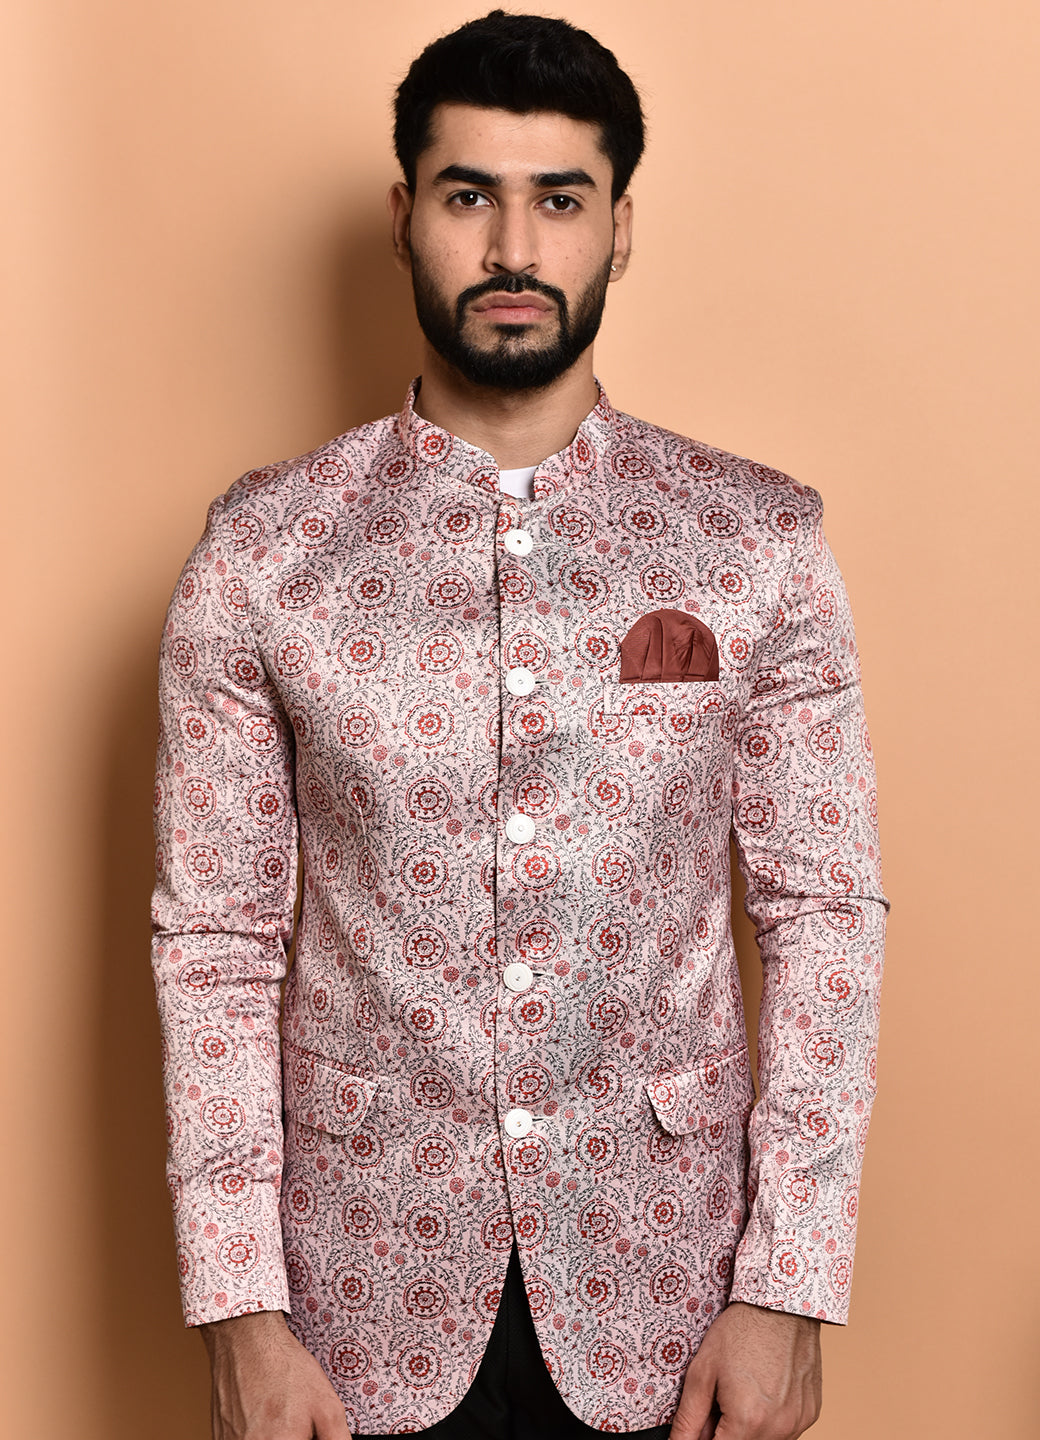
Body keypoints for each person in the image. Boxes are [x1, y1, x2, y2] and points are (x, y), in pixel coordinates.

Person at [150, 11, 887, 1440]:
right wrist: (236, 1308)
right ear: (403, 217)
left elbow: (824, 915)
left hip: (673, 1293)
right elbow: (216, 942)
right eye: (467, 194)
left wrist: (791, 1286)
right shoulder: (263, 553)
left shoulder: (758, 544)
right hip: (353, 1301)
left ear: (621, 229)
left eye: (559, 199)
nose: (511, 248)